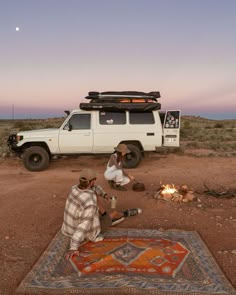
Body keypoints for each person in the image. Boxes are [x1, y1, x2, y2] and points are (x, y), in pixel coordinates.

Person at [61, 168, 141, 260]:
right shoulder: (90, 202)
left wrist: (105, 195)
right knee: (113, 214)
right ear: (92, 181)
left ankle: (108, 217)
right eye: (94, 180)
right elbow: (83, 226)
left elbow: (96, 188)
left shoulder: (74, 189)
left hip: (68, 228)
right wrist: (73, 247)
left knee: (94, 196)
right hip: (85, 231)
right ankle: (125, 214)